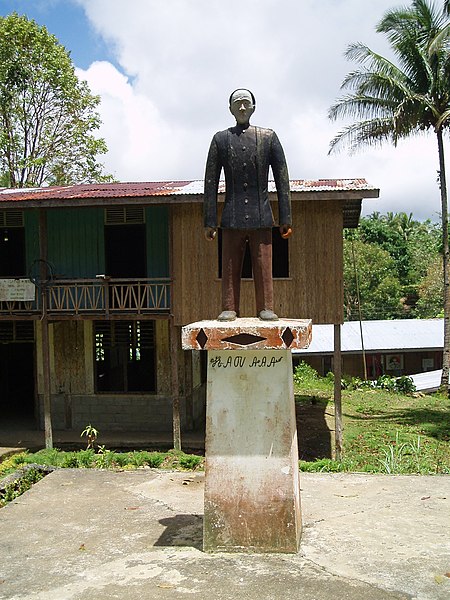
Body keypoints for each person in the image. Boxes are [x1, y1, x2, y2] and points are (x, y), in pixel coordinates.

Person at [204, 88, 292, 321]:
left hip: (261, 214)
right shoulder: (220, 139)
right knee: (230, 265)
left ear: (253, 106)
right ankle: (229, 306)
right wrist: (210, 221)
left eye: (246, 103)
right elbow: (210, 181)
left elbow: (282, 178)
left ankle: (266, 307)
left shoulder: (268, 137)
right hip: (231, 216)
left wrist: (286, 218)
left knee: (263, 265)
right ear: (230, 109)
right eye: (237, 104)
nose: (242, 107)